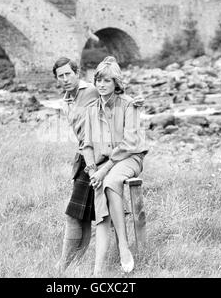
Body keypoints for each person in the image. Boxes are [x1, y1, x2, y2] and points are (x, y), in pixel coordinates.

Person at [52, 57, 144, 273]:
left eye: (68, 74)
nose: (65, 79)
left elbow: (113, 86)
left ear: (77, 73)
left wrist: (135, 101)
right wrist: (92, 167)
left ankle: (65, 266)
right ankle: (82, 268)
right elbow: (85, 139)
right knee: (86, 214)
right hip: (88, 157)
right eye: (60, 76)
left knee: (78, 213)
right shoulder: (68, 100)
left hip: (108, 157)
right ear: (56, 79)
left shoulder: (92, 90)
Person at [82, 56, 148, 276]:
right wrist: (93, 170)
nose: (101, 84)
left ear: (116, 83)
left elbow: (130, 143)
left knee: (110, 182)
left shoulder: (129, 105)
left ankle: (122, 245)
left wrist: (104, 168)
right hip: (102, 164)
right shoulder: (91, 109)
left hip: (130, 157)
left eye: (107, 81)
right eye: (99, 80)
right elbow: (86, 144)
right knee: (102, 187)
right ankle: (98, 270)